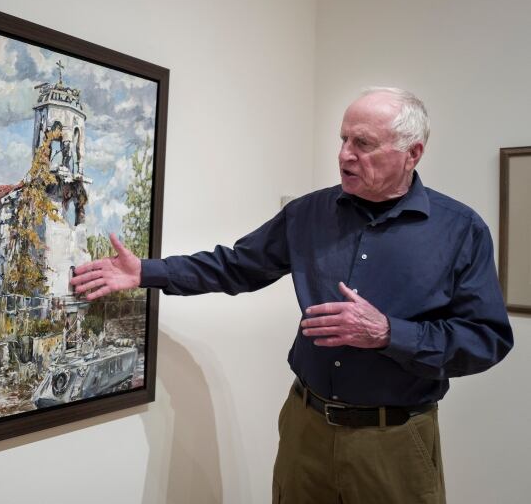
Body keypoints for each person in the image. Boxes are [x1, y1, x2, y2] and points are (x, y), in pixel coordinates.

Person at [70, 87, 513, 503]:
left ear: (412, 153)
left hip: (394, 440)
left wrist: (387, 333)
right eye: (343, 139)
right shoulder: (308, 213)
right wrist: (146, 271)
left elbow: (485, 339)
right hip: (307, 427)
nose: (344, 155)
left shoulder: (460, 230)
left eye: (363, 143)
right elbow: (235, 265)